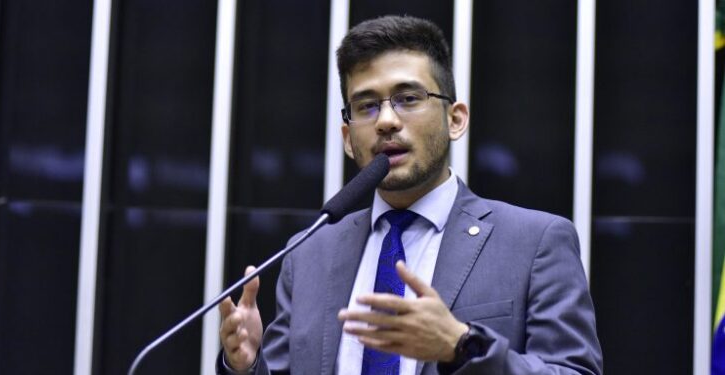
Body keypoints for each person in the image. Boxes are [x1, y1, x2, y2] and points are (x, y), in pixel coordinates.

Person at [217, 15, 602, 375]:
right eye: (367, 106)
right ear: (349, 139)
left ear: (455, 120)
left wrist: (461, 345)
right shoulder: (309, 253)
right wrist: (247, 366)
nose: (386, 121)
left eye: (409, 98)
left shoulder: (534, 243)